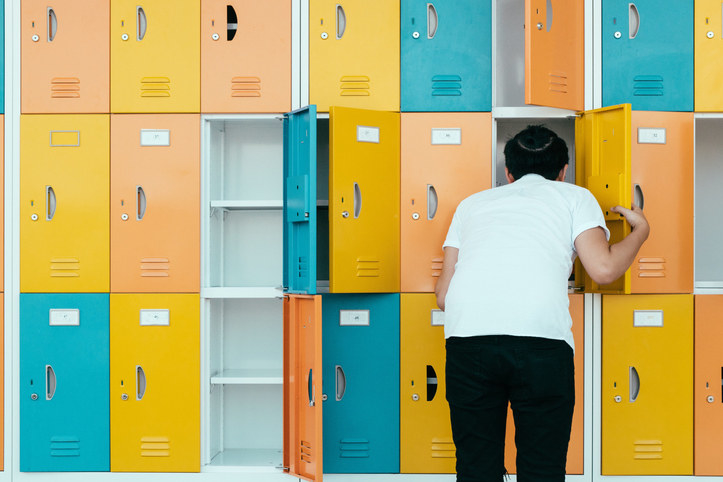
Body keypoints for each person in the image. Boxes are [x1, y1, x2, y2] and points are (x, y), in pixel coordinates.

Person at [434, 125, 649, 482]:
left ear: (508, 172)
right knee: (542, 468)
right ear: (562, 171)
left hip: (468, 343)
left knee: (475, 466)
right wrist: (641, 231)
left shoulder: (470, 205)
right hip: (541, 344)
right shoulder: (574, 197)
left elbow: (444, 296)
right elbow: (604, 268)